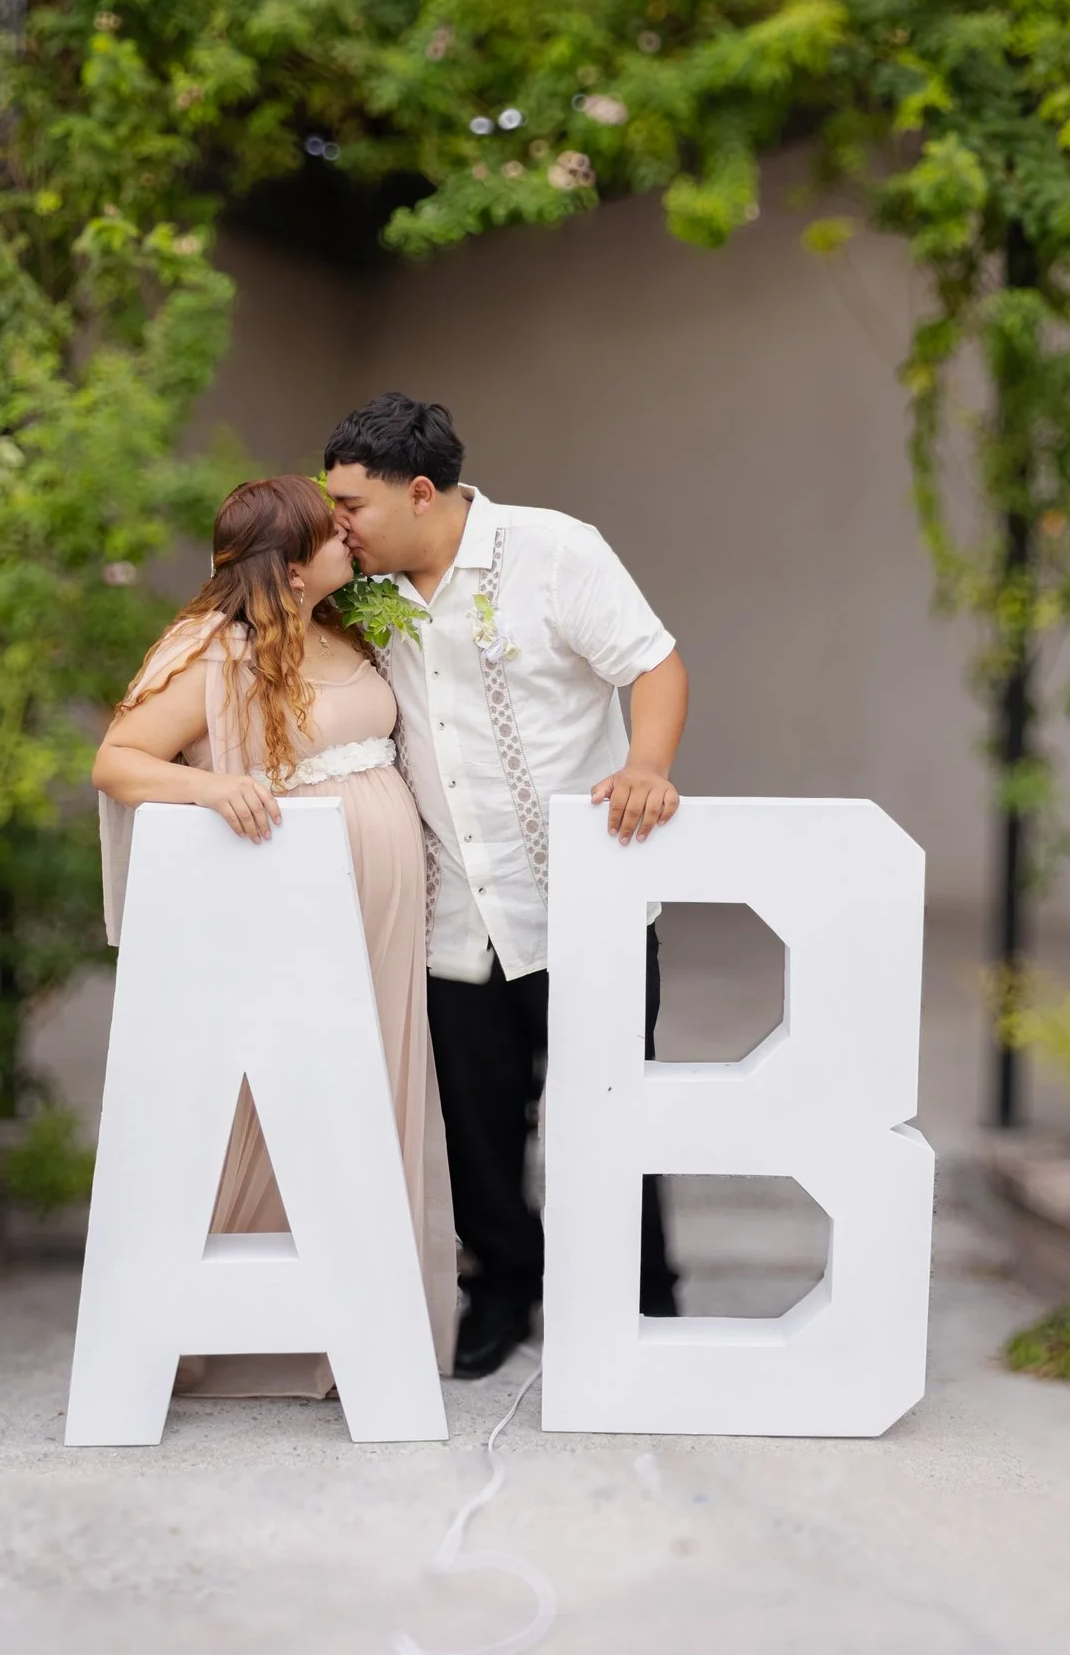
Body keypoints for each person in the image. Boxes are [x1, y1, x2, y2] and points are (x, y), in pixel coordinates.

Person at [322, 393, 690, 1380]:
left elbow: (651, 663)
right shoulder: (358, 585)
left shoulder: (554, 550)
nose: (338, 522)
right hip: (447, 912)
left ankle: (641, 1298)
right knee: (473, 1121)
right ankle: (500, 1289)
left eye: (351, 504)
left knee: (608, 1107)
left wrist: (648, 763)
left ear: (421, 491)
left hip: (581, 901)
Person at [91, 474, 459, 1398]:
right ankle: (243, 1326)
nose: (350, 538)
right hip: (297, 906)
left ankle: (364, 1336)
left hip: (382, 914)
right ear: (294, 568)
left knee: (371, 1086)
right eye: (332, 534)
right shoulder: (218, 651)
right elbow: (118, 760)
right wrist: (213, 788)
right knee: (288, 1096)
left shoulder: (342, 626)